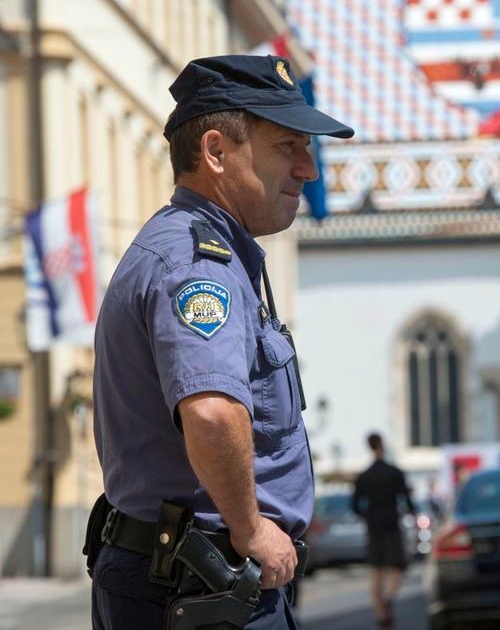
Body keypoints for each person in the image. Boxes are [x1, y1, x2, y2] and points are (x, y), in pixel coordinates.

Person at [86, 55, 354, 629]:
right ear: (215, 152)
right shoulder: (195, 264)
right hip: (202, 584)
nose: (309, 169)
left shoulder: (208, 250)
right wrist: (251, 527)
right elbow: (210, 412)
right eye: (289, 147)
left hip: (193, 579)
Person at [352, 433, 416, 627]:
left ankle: (381, 614)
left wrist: (365, 516)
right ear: (383, 445)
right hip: (391, 523)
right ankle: (388, 598)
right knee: (399, 567)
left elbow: (354, 505)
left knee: (376, 571)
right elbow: (407, 499)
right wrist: (412, 512)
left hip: (373, 525)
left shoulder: (364, 475)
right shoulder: (395, 472)